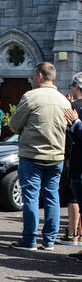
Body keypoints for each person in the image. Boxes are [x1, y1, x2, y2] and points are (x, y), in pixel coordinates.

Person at [9, 62, 71, 251]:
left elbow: (14, 124)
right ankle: (49, 241)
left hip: (32, 154)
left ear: (39, 76)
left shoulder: (31, 97)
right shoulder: (64, 101)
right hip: (56, 156)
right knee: (52, 197)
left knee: (31, 198)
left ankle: (30, 239)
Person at [63, 72, 82, 256]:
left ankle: (73, 233)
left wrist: (75, 122)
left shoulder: (73, 109)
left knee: (74, 198)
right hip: (75, 159)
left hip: (75, 160)